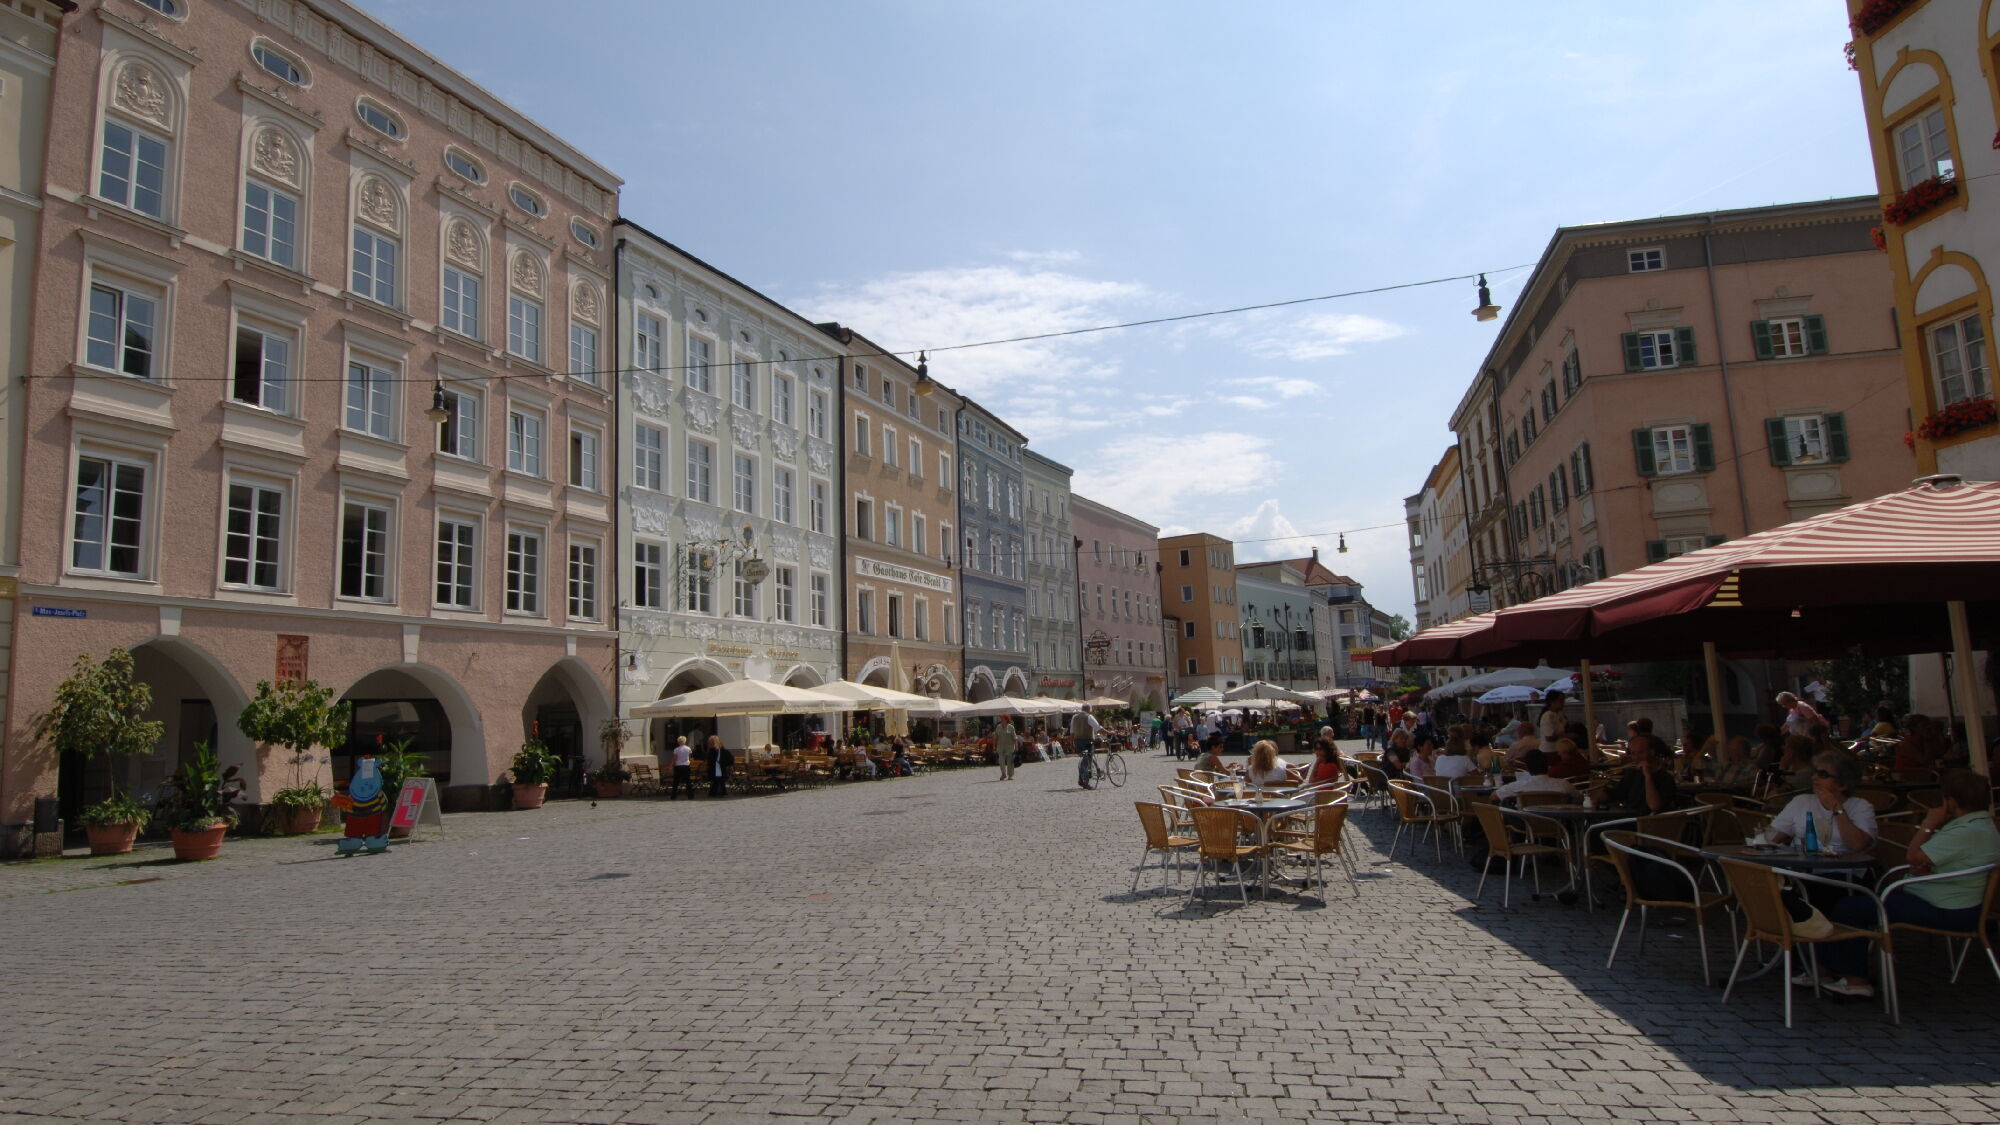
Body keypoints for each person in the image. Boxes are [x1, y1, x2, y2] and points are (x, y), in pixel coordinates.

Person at [1809, 769, 2000, 998]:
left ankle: (1853, 978)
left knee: (1847, 908)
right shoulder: (1980, 825)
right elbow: (1930, 860)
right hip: (1945, 899)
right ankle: (1830, 970)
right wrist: (1924, 863)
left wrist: (1928, 825)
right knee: (1853, 904)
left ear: (1951, 801)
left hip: (1945, 908)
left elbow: (1913, 857)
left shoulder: (1966, 831)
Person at [1768, 751, 1877, 856]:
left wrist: (1837, 808)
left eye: (1822, 775)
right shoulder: (1801, 802)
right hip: (1802, 869)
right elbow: (1772, 838)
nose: (1814, 777)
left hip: (1844, 871)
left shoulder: (1861, 807)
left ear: (1842, 784)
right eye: (1815, 772)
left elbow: (1858, 845)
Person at [1604, 734, 1678, 812]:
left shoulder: (1665, 778)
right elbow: (1616, 794)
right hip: (1629, 819)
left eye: (1640, 752)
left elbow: (1654, 806)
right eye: (1633, 753)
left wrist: (1647, 776)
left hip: (1651, 822)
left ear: (1652, 752)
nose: (1636, 757)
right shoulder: (1632, 774)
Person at [1495, 749, 1581, 801]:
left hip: (1526, 827)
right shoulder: (1563, 785)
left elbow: (1494, 797)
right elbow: (1579, 798)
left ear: (1528, 768)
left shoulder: (1518, 787)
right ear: (1547, 766)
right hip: (1560, 826)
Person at [668, 735, 694, 800]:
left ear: (678, 742)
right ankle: (690, 795)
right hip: (686, 765)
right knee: (688, 781)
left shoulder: (676, 749)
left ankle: (673, 796)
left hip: (678, 766)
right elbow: (690, 757)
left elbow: (674, 758)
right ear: (685, 741)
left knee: (676, 782)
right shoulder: (688, 748)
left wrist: (671, 766)